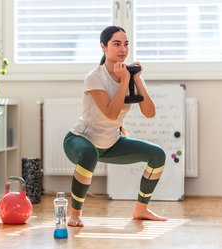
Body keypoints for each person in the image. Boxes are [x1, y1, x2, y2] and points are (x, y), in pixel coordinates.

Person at [63, 26, 167, 227]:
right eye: (116, 44)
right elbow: (111, 114)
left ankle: (141, 210)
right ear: (103, 47)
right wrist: (124, 81)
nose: (123, 49)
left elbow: (149, 112)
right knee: (89, 154)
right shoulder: (94, 77)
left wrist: (136, 79)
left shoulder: (130, 76)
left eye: (126, 44)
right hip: (80, 140)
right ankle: (75, 213)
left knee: (158, 155)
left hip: (110, 144)